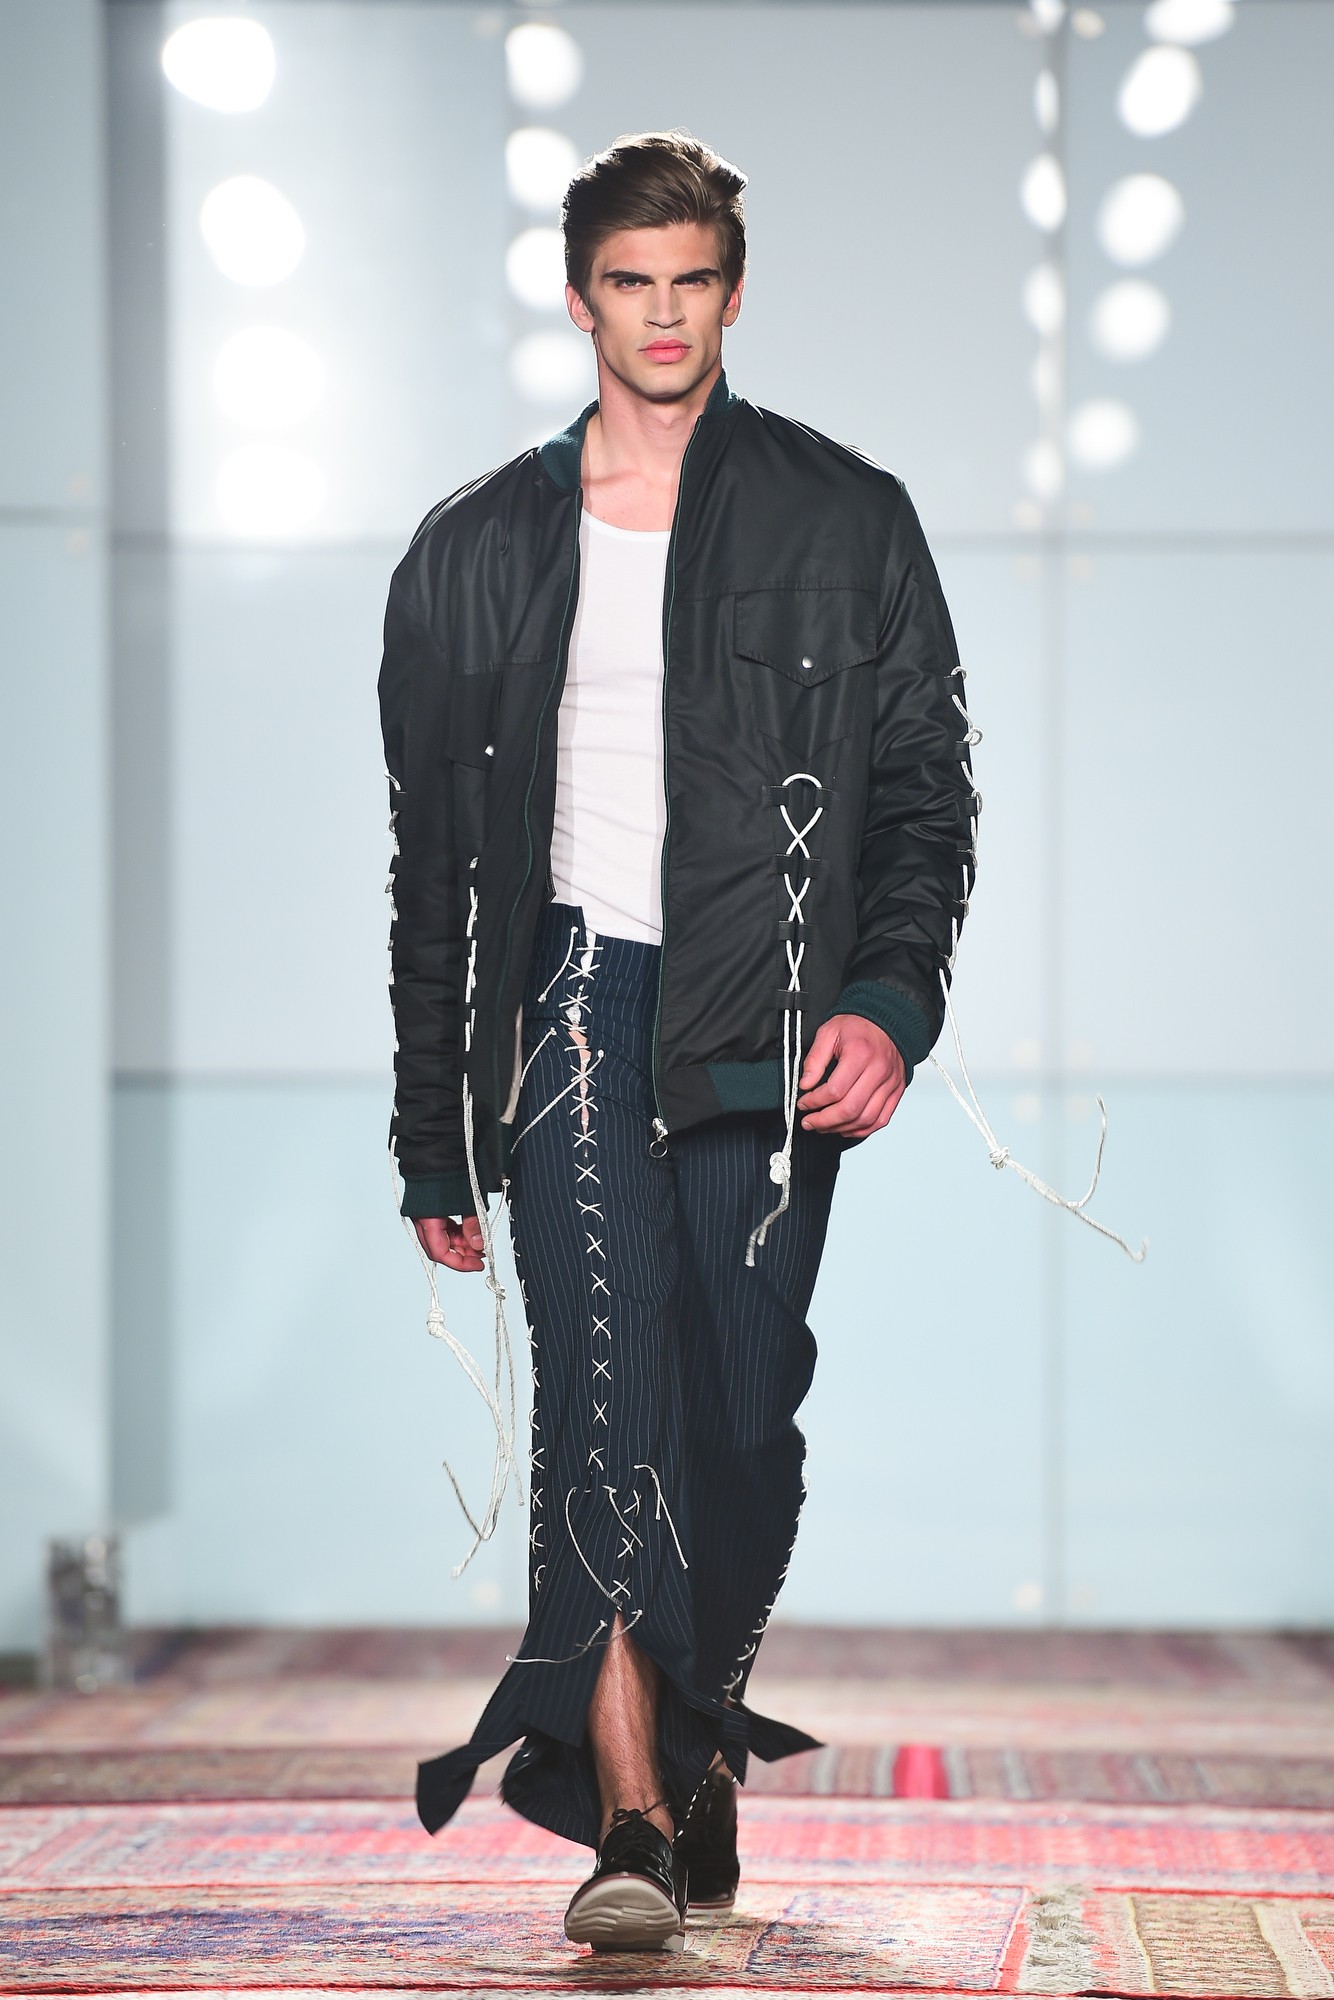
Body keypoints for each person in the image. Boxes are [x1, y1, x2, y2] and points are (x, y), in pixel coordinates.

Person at [378, 130, 977, 1952]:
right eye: (627, 284)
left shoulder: (845, 517)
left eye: (689, 282)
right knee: (603, 1409)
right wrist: (431, 1131)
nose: (659, 314)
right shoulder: (477, 548)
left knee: (737, 1418)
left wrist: (888, 1002)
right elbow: (429, 868)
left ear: (731, 290)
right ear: (579, 299)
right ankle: (629, 1819)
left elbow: (925, 799)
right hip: (571, 1006)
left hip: (767, 1023)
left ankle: (695, 1733)